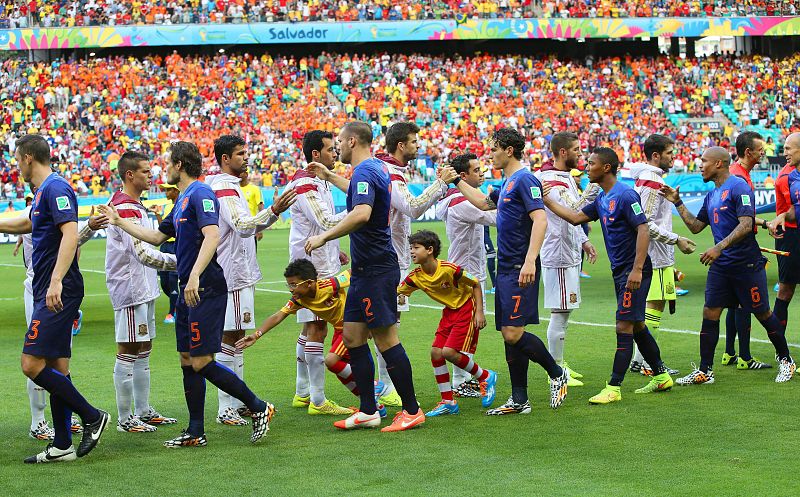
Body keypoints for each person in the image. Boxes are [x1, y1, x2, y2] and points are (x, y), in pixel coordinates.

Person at [100, 141, 275, 447]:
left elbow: (213, 235)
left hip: (206, 287)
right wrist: (119, 221)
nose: (162, 169)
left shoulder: (201, 193)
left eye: (167, 163)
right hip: (188, 290)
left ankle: (259, 406)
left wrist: (194, 275)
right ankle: (196, 431)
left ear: (179, 165)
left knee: (202, 360)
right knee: (186, 358)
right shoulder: (180, 200)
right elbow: (155, 236)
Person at [305, 121, 425, 432]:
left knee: (386, 340)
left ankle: (412, 410)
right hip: (363, 270)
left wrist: (324, 237)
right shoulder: (371, 170)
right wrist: (331, 176)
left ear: (353, 141)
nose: (338, 148)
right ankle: (369, 410)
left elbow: (362, 213)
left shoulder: (365, 171)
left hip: (376, 269)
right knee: (352, 337)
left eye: (341, 142)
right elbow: (362, 194)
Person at [441, 127, 569, 415]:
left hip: (518, 267)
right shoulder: (509, 182)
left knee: (512, 333)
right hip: (505, 269)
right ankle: (519, 399)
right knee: (509, 334)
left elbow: (540, 219)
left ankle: (557, 372)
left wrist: (529, 260)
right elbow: (482, 202)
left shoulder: (524, 179)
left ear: (508, 150)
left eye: (494, 149)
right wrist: (456, 182)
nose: (491, 155)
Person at [0, 134, 109, 463]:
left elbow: (70, 232)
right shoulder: (41, 193)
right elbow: (25, 223)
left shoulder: (56, 188)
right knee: (58, 366)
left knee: (31, 364)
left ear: (29, 157)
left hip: (58, 289)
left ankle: (92, 416)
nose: (15, 165)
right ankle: (62, 445)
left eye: (17, 159)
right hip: (50, 286)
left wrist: (57, 281)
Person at [543, 147, 674, 404]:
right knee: (636, 325)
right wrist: (547, 201)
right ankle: (661, 375)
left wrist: (636, 270)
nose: (585, 167)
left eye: (591, 163)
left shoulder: (625, 195)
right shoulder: (603, 198)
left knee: (623, 325)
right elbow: (575, 217)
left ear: (606, 168)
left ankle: (613, 387)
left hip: (632, 271)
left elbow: (644, 230)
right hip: (621, 271)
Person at [662, 147, 795, 385]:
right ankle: (705, 371)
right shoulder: (712, 195)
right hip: (722, 267)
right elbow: (695, 226)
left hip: (746, 264)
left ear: (719, 164)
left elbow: (746, 225)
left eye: (704, 161)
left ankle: (786, 361)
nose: (700, 165)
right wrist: (678, 202)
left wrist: (718, 247)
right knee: (710, 312)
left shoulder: (738, 187)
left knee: (762, 313)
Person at [205, 135, 295, 426]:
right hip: (230, 273)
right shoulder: (223, 188)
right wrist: (275, 210)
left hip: (239, 272)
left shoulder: (232, 187)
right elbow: (243, 227)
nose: (246, 158)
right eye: (240, 154)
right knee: (228, 338)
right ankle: (225, 408)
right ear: (225, 159)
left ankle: (238, 400)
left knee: (238, 336)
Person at [88, 151, 178, 432]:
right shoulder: (124, 208)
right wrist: (182, 261)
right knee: (128, 348)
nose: (150, 176)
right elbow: (141, 252)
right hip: (129, 287)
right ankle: (126, 418)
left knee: (144, 347)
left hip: (143, 286)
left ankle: (143, 409)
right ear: (130, 175)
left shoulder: (133, 205)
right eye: (145, 172)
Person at [284, 130, 353, 416]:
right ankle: (319, 400)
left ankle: (302, 393)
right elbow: (325, 220)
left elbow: (315, 226)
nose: (334, 154)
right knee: (317, 329)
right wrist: (359, 209)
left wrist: (334, 247)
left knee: (307, 328)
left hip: (319, 261)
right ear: (316, 154)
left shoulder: (316, 182)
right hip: (313, 270)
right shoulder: (306, 185)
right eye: (329, 150)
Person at [236, 260, 360, 413]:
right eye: (288, 285)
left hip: (353, 326)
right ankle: (370, 400)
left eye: (294, 284)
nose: (290, 289)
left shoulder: (330, 285)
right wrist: (256, 334)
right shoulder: (299, 299)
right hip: (339, 330)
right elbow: (279, 315)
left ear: (308, 283)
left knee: (334, 362)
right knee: (345, 368)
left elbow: (351, 272)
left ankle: (372, 390)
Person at [397, 230, 497, 416]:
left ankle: (486, 376)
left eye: (415, 248)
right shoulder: (415, 276)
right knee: (436, 353)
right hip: (449, 312)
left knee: (449, 352)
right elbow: (398, 292)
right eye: (410, 248)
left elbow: (475, 283)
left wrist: (480, 312)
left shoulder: (449, 269)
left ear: (429, 250)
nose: (411, 252)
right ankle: (448, 402)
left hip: (467, 308)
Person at [629, 134, 696, 376]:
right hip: (654, 255)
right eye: (669, 152)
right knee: (652, 307)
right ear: (656, 155)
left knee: (654, 307)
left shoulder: (654, 179)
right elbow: (644, 222)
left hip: (660, 254)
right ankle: (647, 363)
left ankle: (640, 360)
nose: (673, 156)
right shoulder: (650, 180)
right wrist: (676, 239)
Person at [535, 132, 599, 387]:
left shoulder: (563, 178)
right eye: (577, 150)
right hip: (558, 252)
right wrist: (596, 187)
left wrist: (583, 240)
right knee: (560, 311)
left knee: (565, 310)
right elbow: (574, 211)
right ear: (563, 152)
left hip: (568, 250)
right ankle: (557, 370)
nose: (581, 155)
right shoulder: (550, 179)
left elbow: (571, 214)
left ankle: (559, 363)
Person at [435, 153, 496, 398]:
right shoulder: (463, 202)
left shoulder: (450, 200)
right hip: (469, 274)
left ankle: (463, 379)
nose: (481, 173)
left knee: (459, 326)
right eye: (477, 170)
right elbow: (496, 217)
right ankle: (463, 379)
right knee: (467, 328)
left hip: (457, 269)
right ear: (463, 176)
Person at [723, 131, 772, 370]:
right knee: (745, 302)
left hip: (733, 246)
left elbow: (745, 216)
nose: (764, 152)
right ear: (748, 152)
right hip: (740, 249)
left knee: (734, 302)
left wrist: (763, 223)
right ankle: (745, 357)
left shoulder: (739, 175)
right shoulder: (739, 179)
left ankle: (730, 353)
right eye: (760, 149)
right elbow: (737, 218)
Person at [768, 133, 800, 339]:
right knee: (786, 289)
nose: (784, 152)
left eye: (789, 148)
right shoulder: (785, 177)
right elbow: (793, 209)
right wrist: (781, 216)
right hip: (790, 236)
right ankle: (781, 348)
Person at [151, 183, 180, 324]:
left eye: (168, 190)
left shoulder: (181, 205)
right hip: (165, 245)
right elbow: (164, 228)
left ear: (176, 190)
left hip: (175, 245)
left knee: (173, 280)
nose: (166, 192)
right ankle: (178, 305)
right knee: (164, 282)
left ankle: (172, 313)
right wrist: (157, 214)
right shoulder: (168, 206)